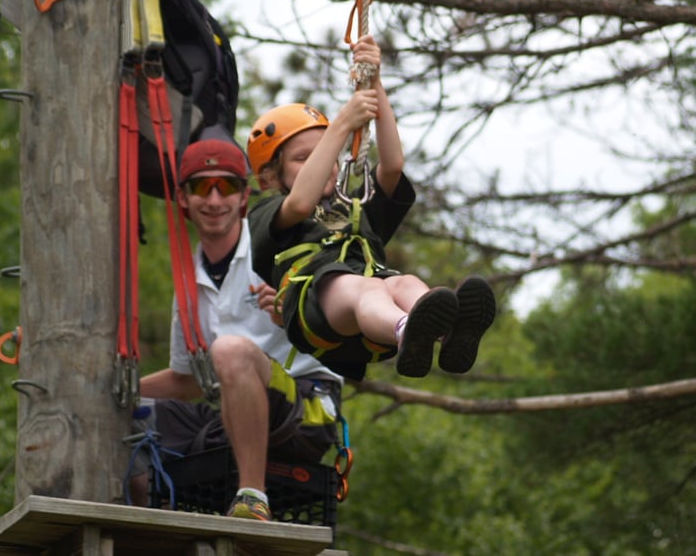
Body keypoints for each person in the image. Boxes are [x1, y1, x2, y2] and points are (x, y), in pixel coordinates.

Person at [246, 34, 496, 381]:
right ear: (271, 177)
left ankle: (445, 331)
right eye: (304, 158)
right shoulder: (267, 211)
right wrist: (340, 127)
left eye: (326, 155)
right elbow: (301, 202)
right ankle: (407, 328)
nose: (324, 163)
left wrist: (376, 83)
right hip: (315, 313)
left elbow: (391, 166)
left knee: (403, 283)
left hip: (368, 322)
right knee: (363, 287)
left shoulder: (353, 207)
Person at [129, 137, 344, 523]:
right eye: (201, 187)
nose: (214, 200)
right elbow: (186, 380)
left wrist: (293, 300)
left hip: (307, 407)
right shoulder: (189, 281)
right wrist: (105, 390)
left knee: (229, 350)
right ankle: (155, 524)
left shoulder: (278, 243)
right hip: (238, 412)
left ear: (244, 196)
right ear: (183, 198)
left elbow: (340, 308)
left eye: (225, 186)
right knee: (130, 413)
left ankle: (252, 496)